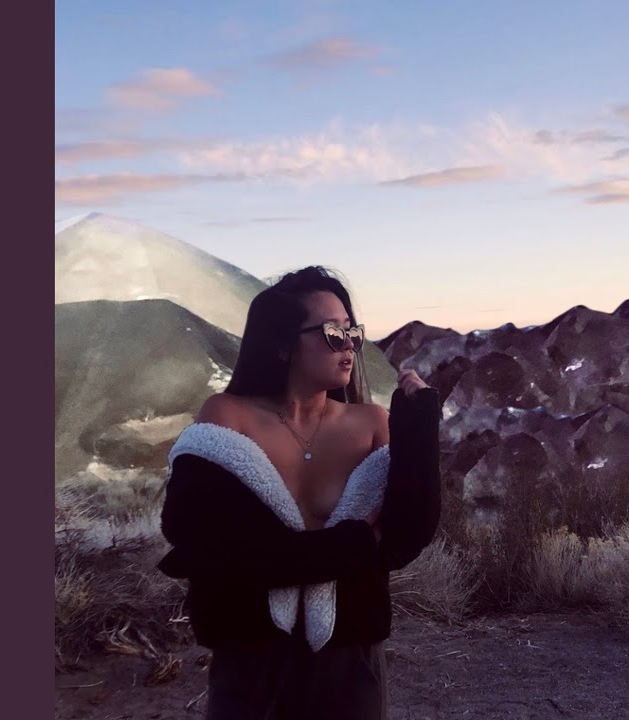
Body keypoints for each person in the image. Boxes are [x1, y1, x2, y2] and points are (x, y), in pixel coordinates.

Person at [156, 266, 442, 719]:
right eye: (332, 332)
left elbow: (409, 533)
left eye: (352, 332)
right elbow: (204, 543)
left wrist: (419, 424)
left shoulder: (371, 423)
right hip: (248, 657)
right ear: (283, 344)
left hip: (349, 660)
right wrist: (358, 544)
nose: (348, 345)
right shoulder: (228, 416)